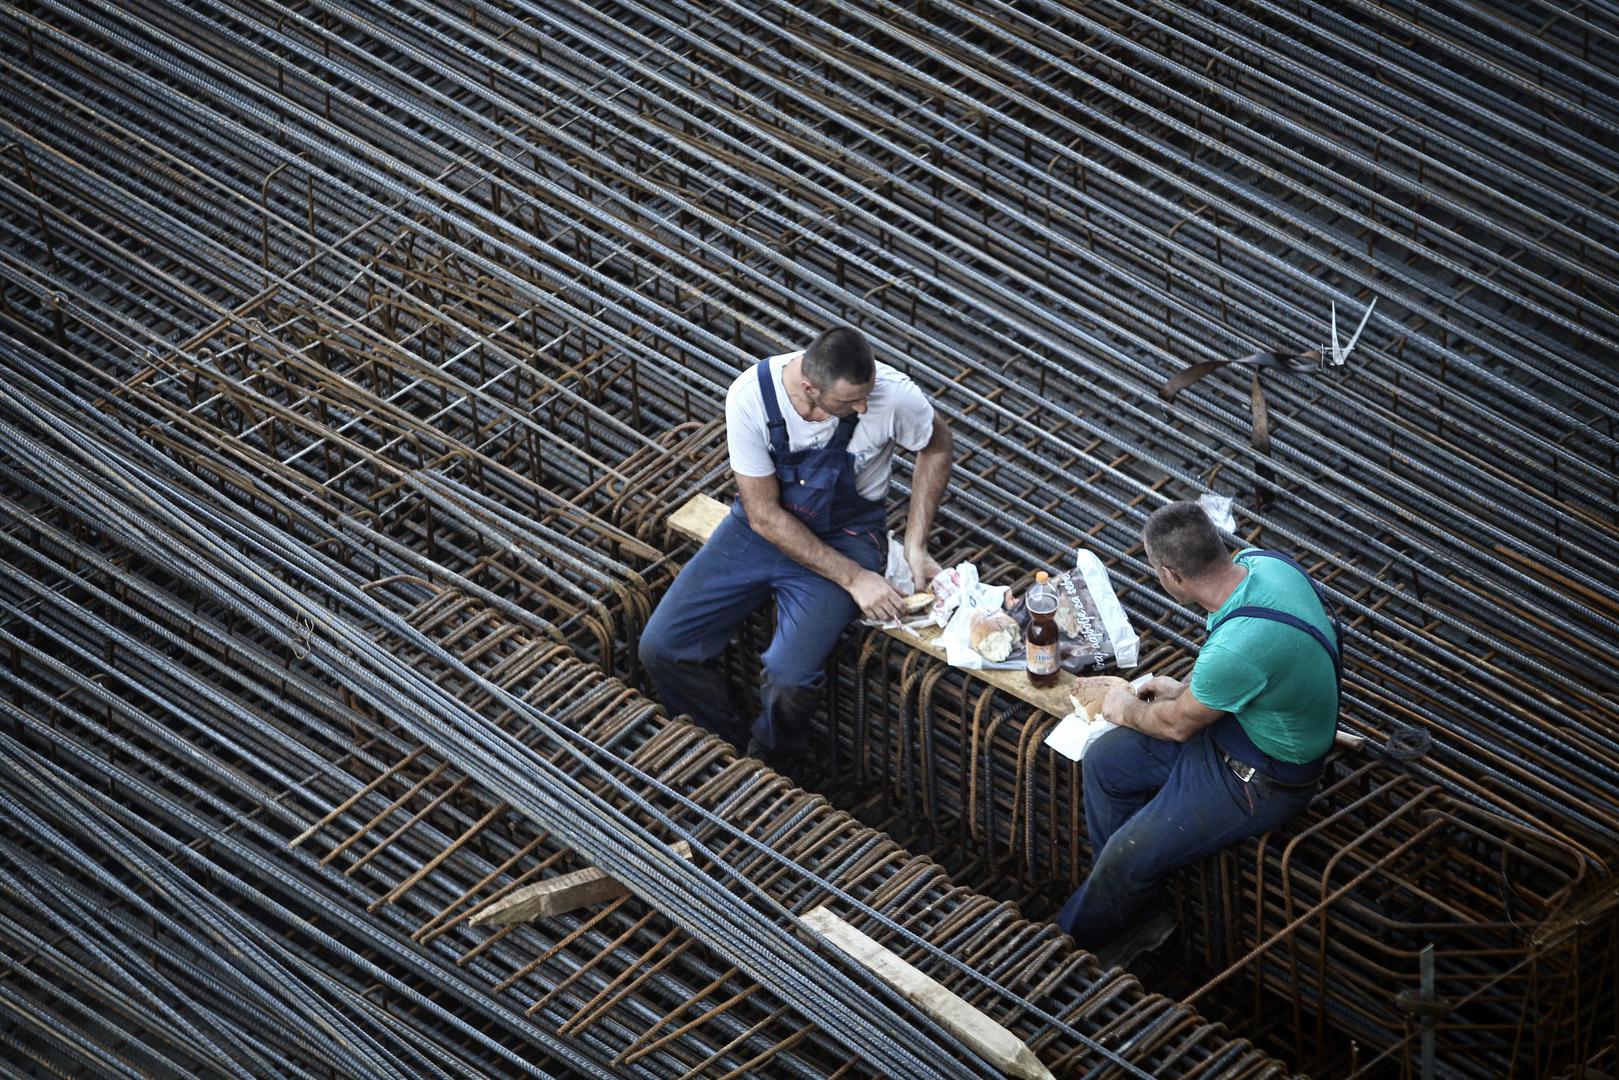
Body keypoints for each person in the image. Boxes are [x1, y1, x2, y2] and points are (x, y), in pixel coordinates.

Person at [639, 327, 953, 770]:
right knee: (661, 645)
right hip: (761, 531)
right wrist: (855, 579)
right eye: (849, 403)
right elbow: (764, 516)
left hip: (848, 535)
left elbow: (936, 444)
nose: (863, 407)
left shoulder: (894, 395)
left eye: (866, 396)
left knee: (790, 678)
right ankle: (722, 747)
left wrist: (915, 547)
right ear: (810, 387)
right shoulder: (750, 397)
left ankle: (774, 759)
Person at [1056, 500, 1340, 968]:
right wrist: (1187, 688)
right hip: (1237, 729)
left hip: (1261, 777)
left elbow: (1176, 724)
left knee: (1125, 856)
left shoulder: (1237, 647)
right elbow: (1240, 664)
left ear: (1171, 576)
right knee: (1106, 762)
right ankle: (1138, 915)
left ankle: (1068, 952)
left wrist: (1120, 705)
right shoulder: (1261, 564)